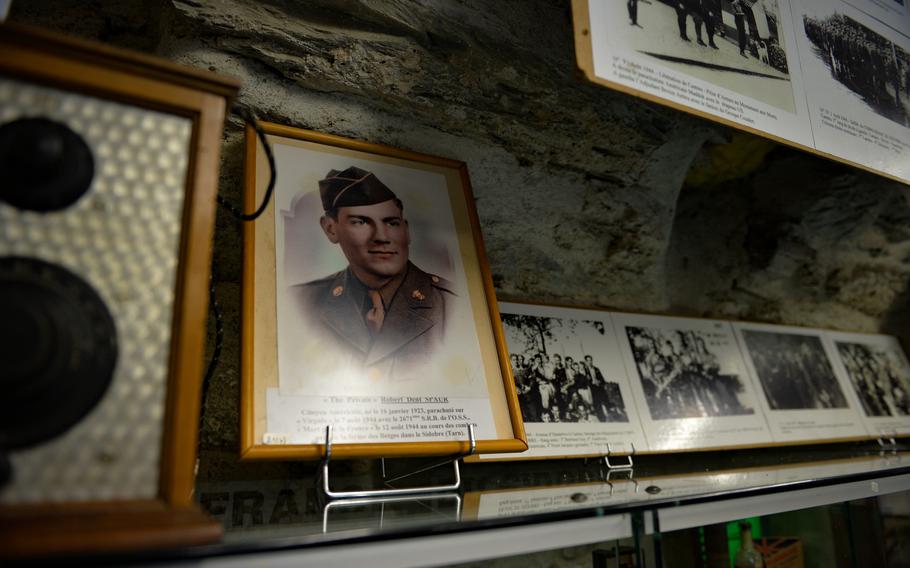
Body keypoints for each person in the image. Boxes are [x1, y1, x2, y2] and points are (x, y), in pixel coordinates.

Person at [287, 166, 455, 382]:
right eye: (361, 222)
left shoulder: (451, 302)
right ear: (330, 229)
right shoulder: (301, 302)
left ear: (406, 230)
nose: (382, 237)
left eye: (392, 223)